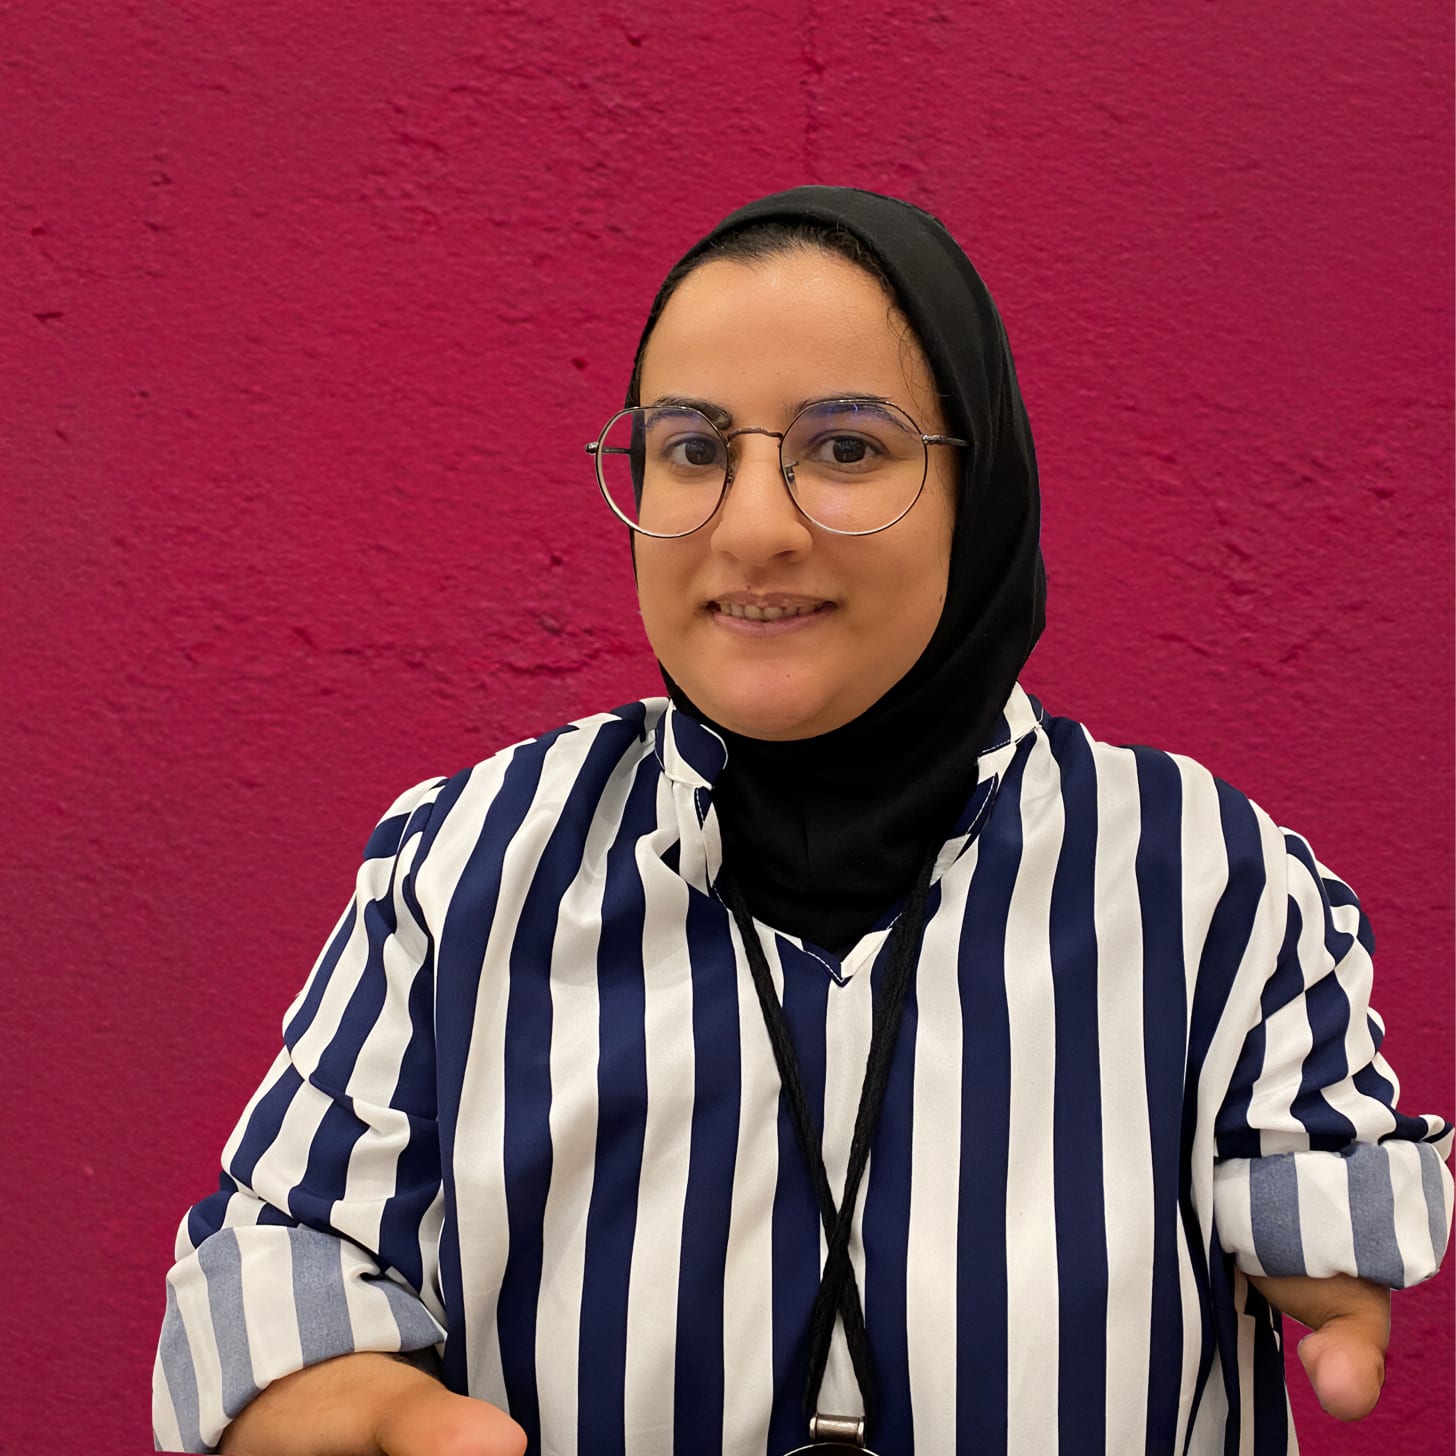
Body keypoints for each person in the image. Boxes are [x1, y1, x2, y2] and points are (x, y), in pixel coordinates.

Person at [153, 187, 1452, 1456]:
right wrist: (354, 1393)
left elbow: (1318, 1159)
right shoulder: (469, 865)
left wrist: (1326, 1237)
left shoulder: (1208, 877)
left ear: (982, 488)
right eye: (692, 450)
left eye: (847, 449)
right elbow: (283, 1237)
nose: (755, 529)